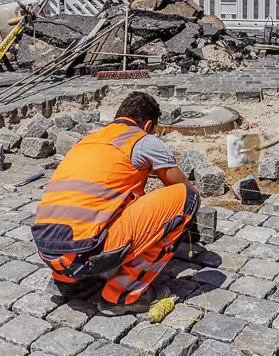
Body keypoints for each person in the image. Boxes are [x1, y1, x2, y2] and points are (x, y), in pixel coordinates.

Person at [32, 91, 200, 314]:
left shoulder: (88, 140)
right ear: (148, 125)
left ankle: (69, 282)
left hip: (49, 250)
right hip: (85, 253)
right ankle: (121, 295)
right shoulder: (143, 140)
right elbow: (182, 189)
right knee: (187, 199)